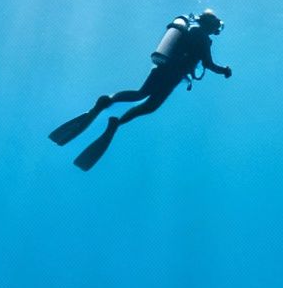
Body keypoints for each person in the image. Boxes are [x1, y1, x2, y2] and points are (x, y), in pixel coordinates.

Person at [50, 9, 232, 170]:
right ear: (210, 24)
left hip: (161, 68)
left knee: (140, 93)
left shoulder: (190, 28)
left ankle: (107, 102)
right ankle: (117, 123)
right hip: (173, 75)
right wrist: (224, 70)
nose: (215, 31)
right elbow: (208, 63)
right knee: (150, 106)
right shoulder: (202, 37)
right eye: (215, 27)